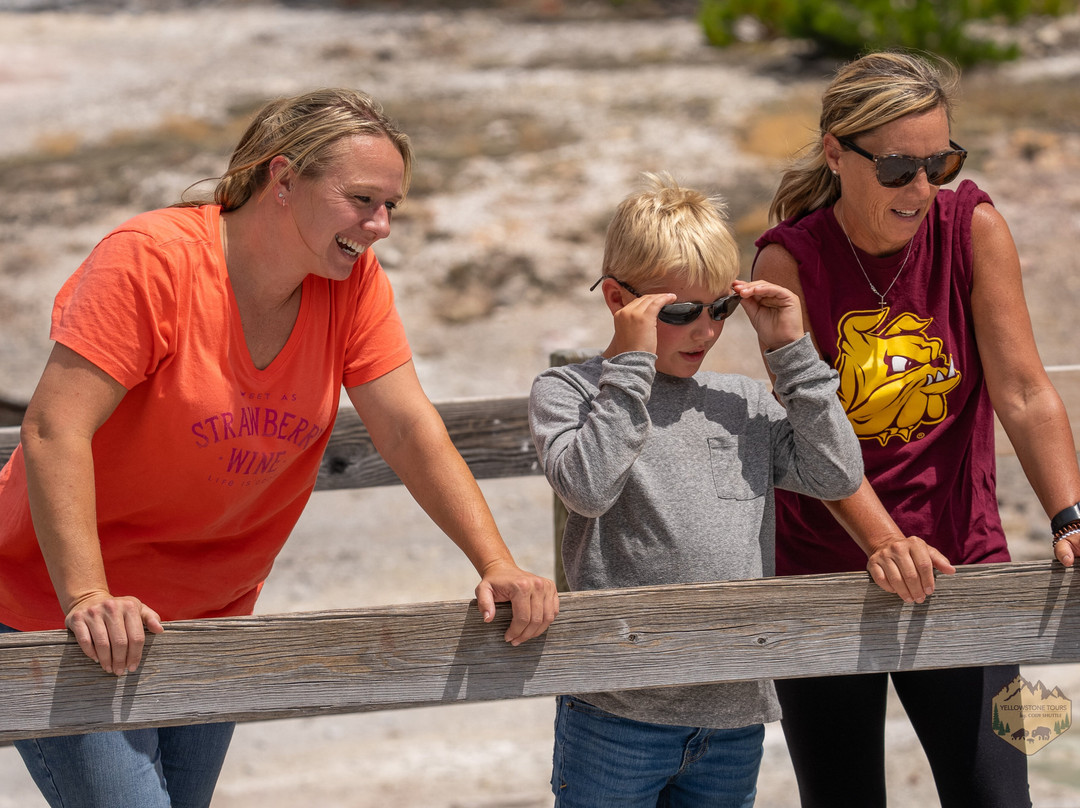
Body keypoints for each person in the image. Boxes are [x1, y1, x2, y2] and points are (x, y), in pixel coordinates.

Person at [0, 87, 559, 808]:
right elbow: (53, 429)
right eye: (363, 199)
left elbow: (407, 427)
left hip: (212, 615)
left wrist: (497, 563)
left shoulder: (352, 283)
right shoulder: (151, 261)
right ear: (284, 180)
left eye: (392, 206)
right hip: (64, 608)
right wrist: (88, 596)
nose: (381, 225)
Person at [752, 50, 1080, 807]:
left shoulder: (975, 228)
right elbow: (812, 434)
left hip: (968, 569)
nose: (923, 189)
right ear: (838, 153)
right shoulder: (788, 260)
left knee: (1003, 798)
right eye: (900, 168)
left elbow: (1026, 392)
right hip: (825, 576)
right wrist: (883, 543)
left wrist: (1070, 515)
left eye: (941, 163)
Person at [529, 172, 863, 807]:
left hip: (734, 711)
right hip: (615, 710)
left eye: (721, 308)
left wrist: (792, 351)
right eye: (679, 312)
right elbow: (590, 488)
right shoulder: (568, 393)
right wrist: (628, 367)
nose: (706, 331)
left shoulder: (739, 400)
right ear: (617, 301)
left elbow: (836, 473)